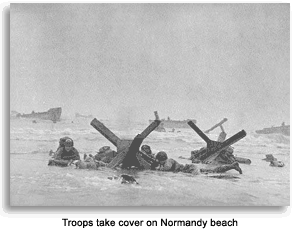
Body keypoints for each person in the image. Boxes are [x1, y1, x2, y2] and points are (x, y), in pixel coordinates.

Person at [155, 151, 242, 175]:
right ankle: (232, 166)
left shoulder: (169, 161)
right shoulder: (167, 161)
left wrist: (159, 169)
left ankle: (232, 166)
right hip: (190, 169)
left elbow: (167, 167)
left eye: (159, 160)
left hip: (190, 169)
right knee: (214, 171)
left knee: (213, 173)